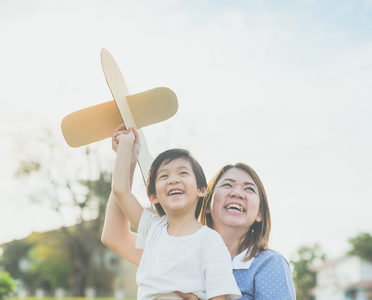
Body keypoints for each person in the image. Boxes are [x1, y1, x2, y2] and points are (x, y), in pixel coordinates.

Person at [102, 125, 296, 300]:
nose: (237, 193)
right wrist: (128, 159)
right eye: (227, 185)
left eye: (249, 189)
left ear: (260, 214)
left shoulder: (269, 264)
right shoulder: (165, 241)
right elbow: (114, 234)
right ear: (208, 201)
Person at [107, 125, 241, 300]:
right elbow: (120, 191)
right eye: (164, 176)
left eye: (183, 173)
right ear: (153, 196)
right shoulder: (152, 228)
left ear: (201, 189)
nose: (173, 180)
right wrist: (125, 150)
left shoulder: (210, 241)